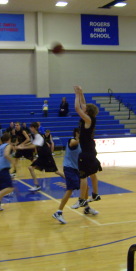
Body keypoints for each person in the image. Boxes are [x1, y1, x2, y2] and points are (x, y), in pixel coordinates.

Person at [70, 86, 101, 215]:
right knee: (92, 174)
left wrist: (76, 95)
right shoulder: (89, 118)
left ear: (87, 112)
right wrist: (81, 92)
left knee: (83, 176)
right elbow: (83, 105)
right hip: (91, 151)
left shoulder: (88, 119)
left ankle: (82, 200)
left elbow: (78, 108)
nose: (84, 108)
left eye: (85, 109)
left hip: (87, 152)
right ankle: (94, 195)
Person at [15, 122, 64, 191]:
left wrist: (22, 148)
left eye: (31, 127)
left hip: (47, 156)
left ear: (34, 128)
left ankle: (70, 181)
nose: (30, 128)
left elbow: (33, 146)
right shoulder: (34, 135)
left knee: (56, 171)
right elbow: (32, 143)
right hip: (41, 156)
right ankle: (37, 185)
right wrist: (22, 145)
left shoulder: (38, 136)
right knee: (30, 168)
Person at [52, 128, 81, 224]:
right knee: (70, 189)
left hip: (76, 169)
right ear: (77, 133)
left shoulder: (82, 144)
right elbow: (73, 143)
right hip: (69, 168)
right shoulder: (72, 140)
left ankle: (87, 207)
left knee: (85, 188)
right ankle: (59, 212)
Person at [0, 133, 15, 211]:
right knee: (10, 188)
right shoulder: (8, 145)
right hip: (3, 169)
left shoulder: (1, 146)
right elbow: (6, 154)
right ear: (9, 139)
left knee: (2, 189)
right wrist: (13, 161)